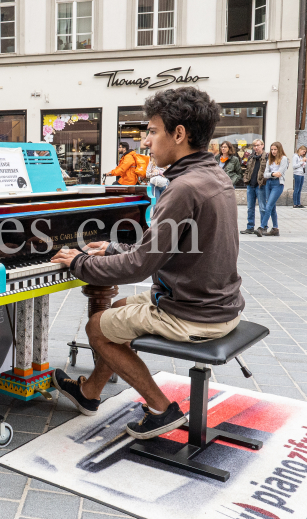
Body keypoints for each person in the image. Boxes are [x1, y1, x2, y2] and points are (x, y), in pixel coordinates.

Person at [49, 87, 243, 439]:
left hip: (193, 313)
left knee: (97, 327)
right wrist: (111, 248)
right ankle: (89, 393)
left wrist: (79, 262)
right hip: (218, 304)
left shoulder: (183, 187)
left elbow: (140, 266)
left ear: (179, 134)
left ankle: (160, 409)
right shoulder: (213, 175)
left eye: (153, 131)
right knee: (120, 307)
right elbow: (165, 246)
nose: (146, 142)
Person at [256, 142, 289, 237]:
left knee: (268, 205)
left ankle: (262, 227)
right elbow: (265, 174)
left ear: (279, 149)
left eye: (275, 149)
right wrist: (273, 174)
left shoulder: (284, 159)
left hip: (278, 184)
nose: (273, 151)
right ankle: (275, 228)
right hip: (269, 183)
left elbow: (280, 173)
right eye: (272, 149)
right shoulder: (270, 159)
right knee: (272, 207)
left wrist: (272, 174)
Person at [240, 139, 267, 235]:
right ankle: (250, 227)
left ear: (262, 145)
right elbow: (247, 169)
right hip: (250, 185)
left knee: (262, 207)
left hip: (261, 185)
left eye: (258, 145)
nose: (256, 147)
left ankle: (263, 227)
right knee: (250, 208)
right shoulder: (251, 157)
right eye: (254, 145)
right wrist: (245, 178)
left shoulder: (266, 157)